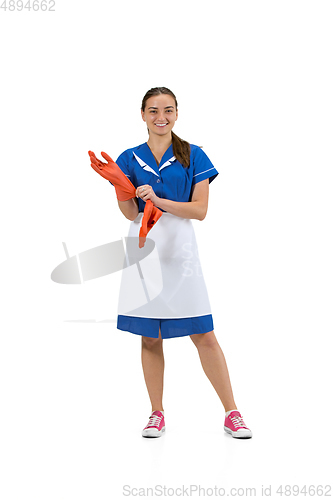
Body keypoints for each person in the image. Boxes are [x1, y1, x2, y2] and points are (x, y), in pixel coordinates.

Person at [112, 87, 252, 439]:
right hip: (144, 251)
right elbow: (130, 212)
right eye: (153, 110)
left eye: (168, 110)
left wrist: (159, 200)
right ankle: (156, 413)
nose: (161, 116)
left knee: (203, 334)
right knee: (149, 338)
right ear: (142, 115)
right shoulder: (129, 157)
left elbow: (200, 210)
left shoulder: (193, 155)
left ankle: (231, 412)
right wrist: (118, 186)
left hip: (181, 253)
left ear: (177, 114)